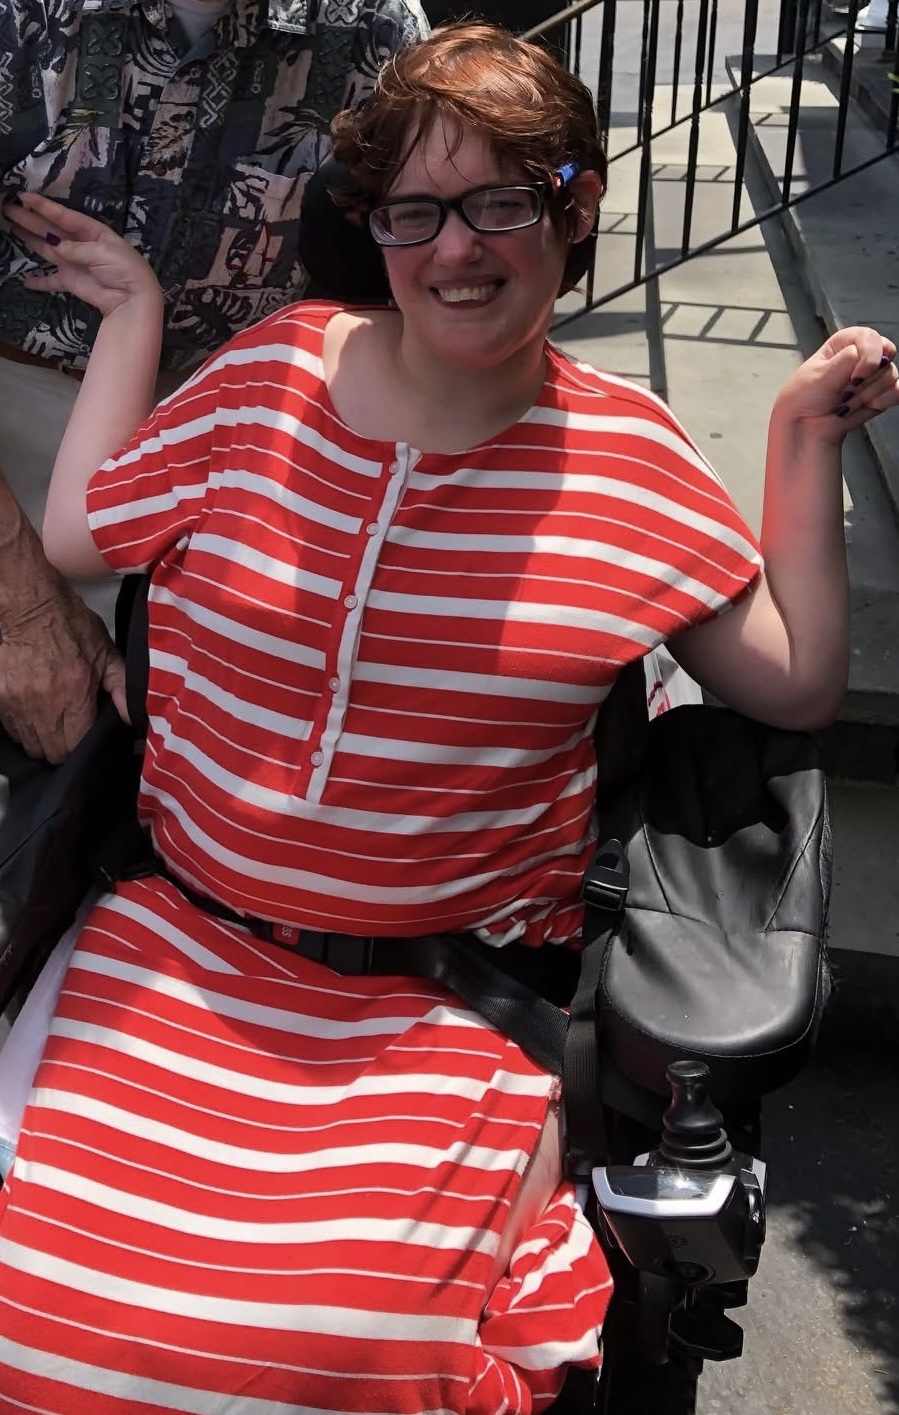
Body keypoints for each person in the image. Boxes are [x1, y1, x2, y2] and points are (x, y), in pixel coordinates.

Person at [1, 21, 898, 1413]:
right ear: (373, 227)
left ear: (573, 212)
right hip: (177, 955)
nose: (455, 248)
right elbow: (79, 534)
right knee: (38, 1320)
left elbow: (788, 684)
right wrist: (132, 314)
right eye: (413, 211)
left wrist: (797, 441)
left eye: (500, 202)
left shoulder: (630, 462)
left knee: (346, 1368)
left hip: (440, 1002)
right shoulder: (268, 375)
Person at [0, 0, 428, 765]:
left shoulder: (376, 27)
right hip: (18, 412)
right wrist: (20, 612)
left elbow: (410, 278)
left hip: (244, 436)